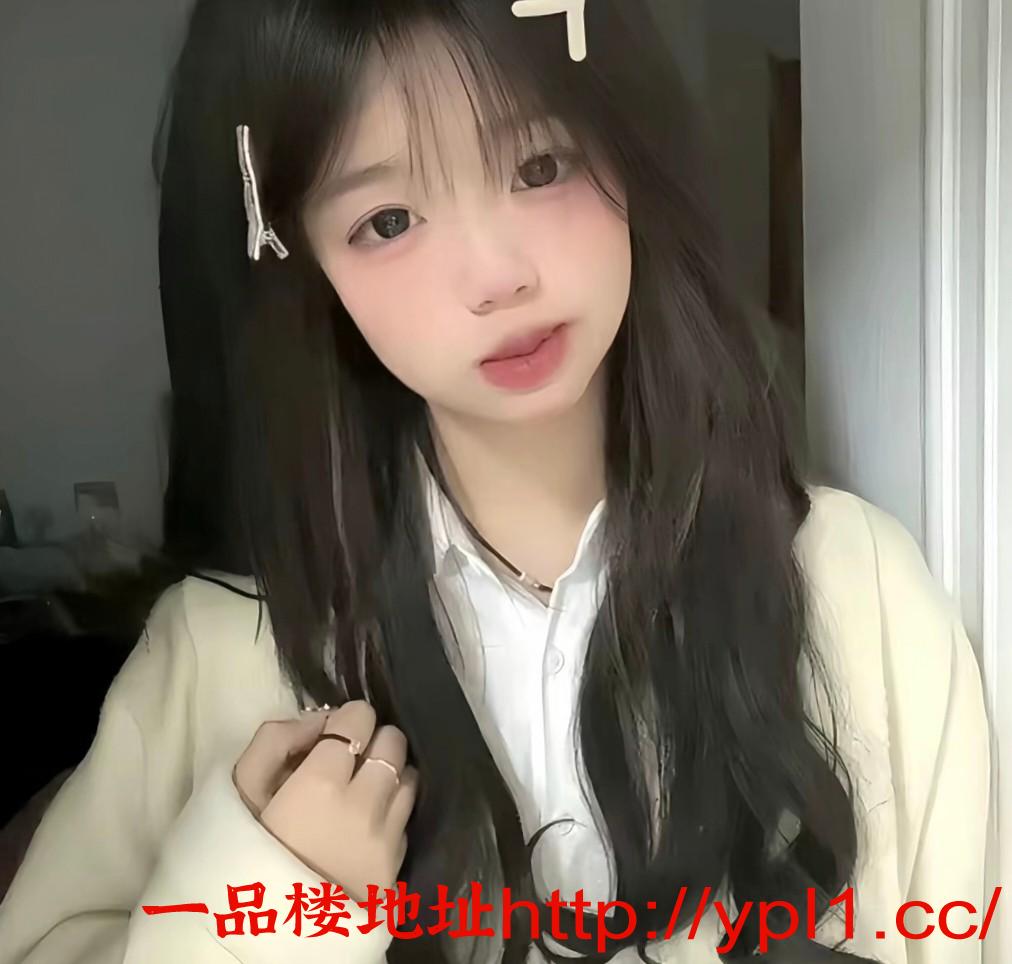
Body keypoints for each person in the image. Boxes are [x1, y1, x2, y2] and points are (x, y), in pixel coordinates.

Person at [0, 0, 990, 961]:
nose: (495, 275)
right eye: (388, 219)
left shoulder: (857, 591)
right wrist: (263, 907)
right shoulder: (217, 659)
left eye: (539, 165)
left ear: (628, 151)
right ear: (308, 265)